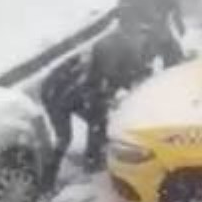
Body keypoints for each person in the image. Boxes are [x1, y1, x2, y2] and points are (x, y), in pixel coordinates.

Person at [41, 32, 148, 172]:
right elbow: (100, 82)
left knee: (96, 120)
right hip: (59, 93)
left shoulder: (114, 49)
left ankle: (94, 159)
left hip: (67, 89)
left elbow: (112, 79)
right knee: (70, 134)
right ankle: (53, 176)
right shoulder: (105, 54)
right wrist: (109, 96)